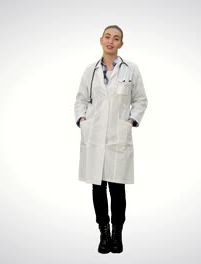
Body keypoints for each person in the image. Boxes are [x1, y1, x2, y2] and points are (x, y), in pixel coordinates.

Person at [74, 25, 148, 254]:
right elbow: (80, 101)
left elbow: (141, 101)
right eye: (108, 37)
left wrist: (130, 122)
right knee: (98, 189)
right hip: (95, 138)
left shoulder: (130, 70)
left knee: (117, 190)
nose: (111, 41)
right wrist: (83, 122)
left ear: (121, 44)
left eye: (116, 38)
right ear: (101, 40)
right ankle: (103, 235)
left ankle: (118, 236)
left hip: (118, 139)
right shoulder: (91, 71)